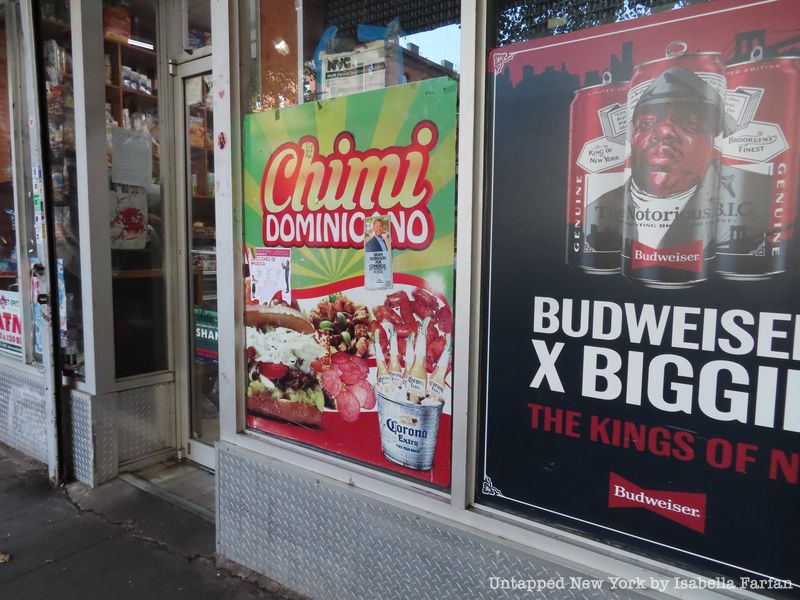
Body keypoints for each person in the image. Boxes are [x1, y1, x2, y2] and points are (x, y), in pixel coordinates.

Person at [588, 66, 733, 254]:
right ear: (633, 138)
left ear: (712, 139)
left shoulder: (752, 195)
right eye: (646, 124)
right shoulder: (594, 210)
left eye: (690, 123)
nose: (664, 131)